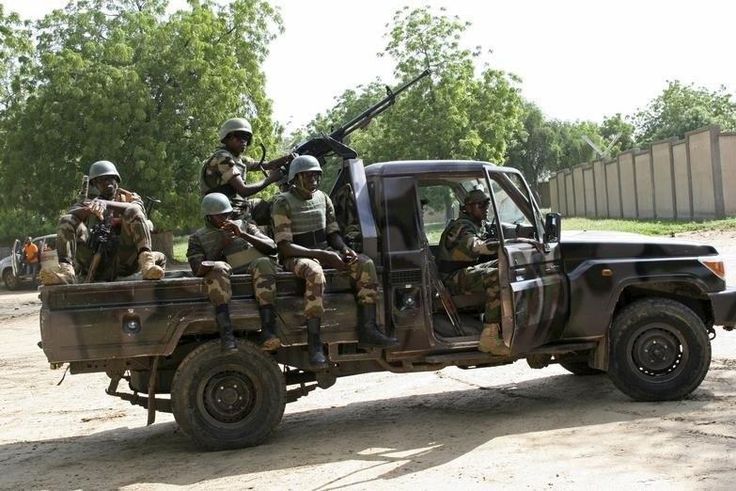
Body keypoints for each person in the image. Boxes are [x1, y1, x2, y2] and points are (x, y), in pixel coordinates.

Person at [271, 155, 398, 368]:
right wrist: (323, 256)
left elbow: (333, 232)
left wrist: (343, 249)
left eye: (316, 175)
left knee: (364, 264)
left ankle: (368, 329)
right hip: (296, 256)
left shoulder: (323, 198)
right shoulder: (283, 202)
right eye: (308, 175)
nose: (313, 179)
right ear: (296, 177)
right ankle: (315, 346)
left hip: (324, 249)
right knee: (315, 272)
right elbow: (284, 246)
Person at [40, 160, 166, 285]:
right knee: (67, 220)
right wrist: (90, 210)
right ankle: (67, 273)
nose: (107, 183)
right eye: (101, 180)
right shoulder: (90, 201)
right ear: (95, 184)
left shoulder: (130, 197)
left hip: (125, 259)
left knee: (133, 210)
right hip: (94, 258)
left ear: (116, 179)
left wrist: (106, 204)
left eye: (110, 178)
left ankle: (147, 265)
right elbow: (71, 212)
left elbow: (137, 209)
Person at [187, 193, 281, 352]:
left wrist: (243, 235)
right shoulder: (197, 238)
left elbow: (272, 247)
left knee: (264, 263)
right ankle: (227, 335)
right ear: (208, 217)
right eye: (220, 216)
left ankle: (268, 332)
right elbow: (198, 269)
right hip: (222, 283)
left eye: (227, 214)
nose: (225, 219)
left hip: (251, 273)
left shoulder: (245, 225)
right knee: (217, 268)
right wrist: (221, 245)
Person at [436, 189, 508, 355]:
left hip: (461, 272)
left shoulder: (472, 224)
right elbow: (476, 246)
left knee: (504, 266)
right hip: (452, 278)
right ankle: (489, 336)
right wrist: (504, 244)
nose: (486, 208)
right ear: (468, 207)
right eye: (481, 205)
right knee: (496, 276)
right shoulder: (462, 227)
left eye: (487, 204)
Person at [201, 117, 294, 221]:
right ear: (227, 138)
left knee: (273, 205)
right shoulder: (222, 158)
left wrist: (286, 158)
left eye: (246, 137)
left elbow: (267, 165)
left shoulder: (237, 159)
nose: (243, 141)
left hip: (237, 206)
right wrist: (271, 179)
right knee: (278, 208)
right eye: (239, 136)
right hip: (225, 214)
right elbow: (244, 190)